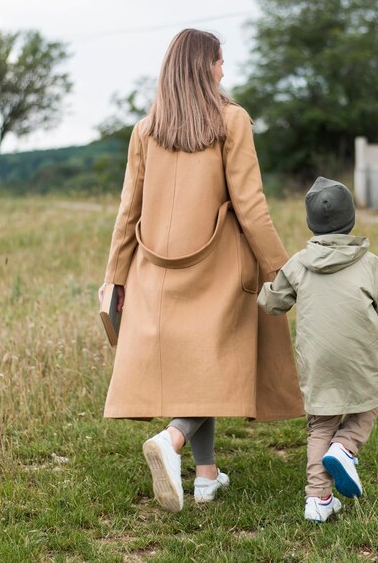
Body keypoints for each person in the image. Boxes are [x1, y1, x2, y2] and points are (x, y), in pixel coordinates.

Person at [98, 29, 303, 513]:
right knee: (215, 361)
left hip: (155, 273)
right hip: (219, 271)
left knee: (198, 368)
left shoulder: (145, 130)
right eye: (218, 61)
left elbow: (128, 212)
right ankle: (172, 441)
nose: (223, 70)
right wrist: (284, 269)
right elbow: (251, 207)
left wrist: (116, 276)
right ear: (201, 66)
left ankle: (207, 477)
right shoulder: (232, 121)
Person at [257, 177, 378, 522]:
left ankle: (318, 500)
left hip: (317, 362)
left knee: (320, 425)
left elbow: (271, 303)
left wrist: (259, 286)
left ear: (311, 224)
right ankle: (345, 446)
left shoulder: (297, 265)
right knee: (369, 400)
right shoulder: (369, 263)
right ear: (351, 219)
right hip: (361, 355)